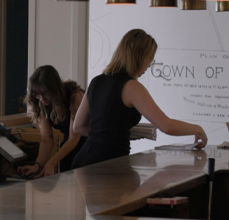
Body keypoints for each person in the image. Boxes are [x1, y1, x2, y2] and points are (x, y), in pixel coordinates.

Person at [72, 29, 207, 169]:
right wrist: (198, 129)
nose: (150, 64)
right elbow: (166, 126)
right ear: (139, 57)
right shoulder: (132, 87)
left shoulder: (96, 81)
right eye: (150, 58)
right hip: (108, 164)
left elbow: (78, 126)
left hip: (84, 159)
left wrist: (110, 136)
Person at [17, 65, 85, 177]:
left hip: (89, 142)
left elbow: (74, 138)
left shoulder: (74, 97)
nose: (42, 98)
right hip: (69, 144)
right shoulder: (40, 102)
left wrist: (51, 163)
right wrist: (37, 165)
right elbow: (47, 140)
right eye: (37, 94)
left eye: (45, 93)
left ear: (55, 88)